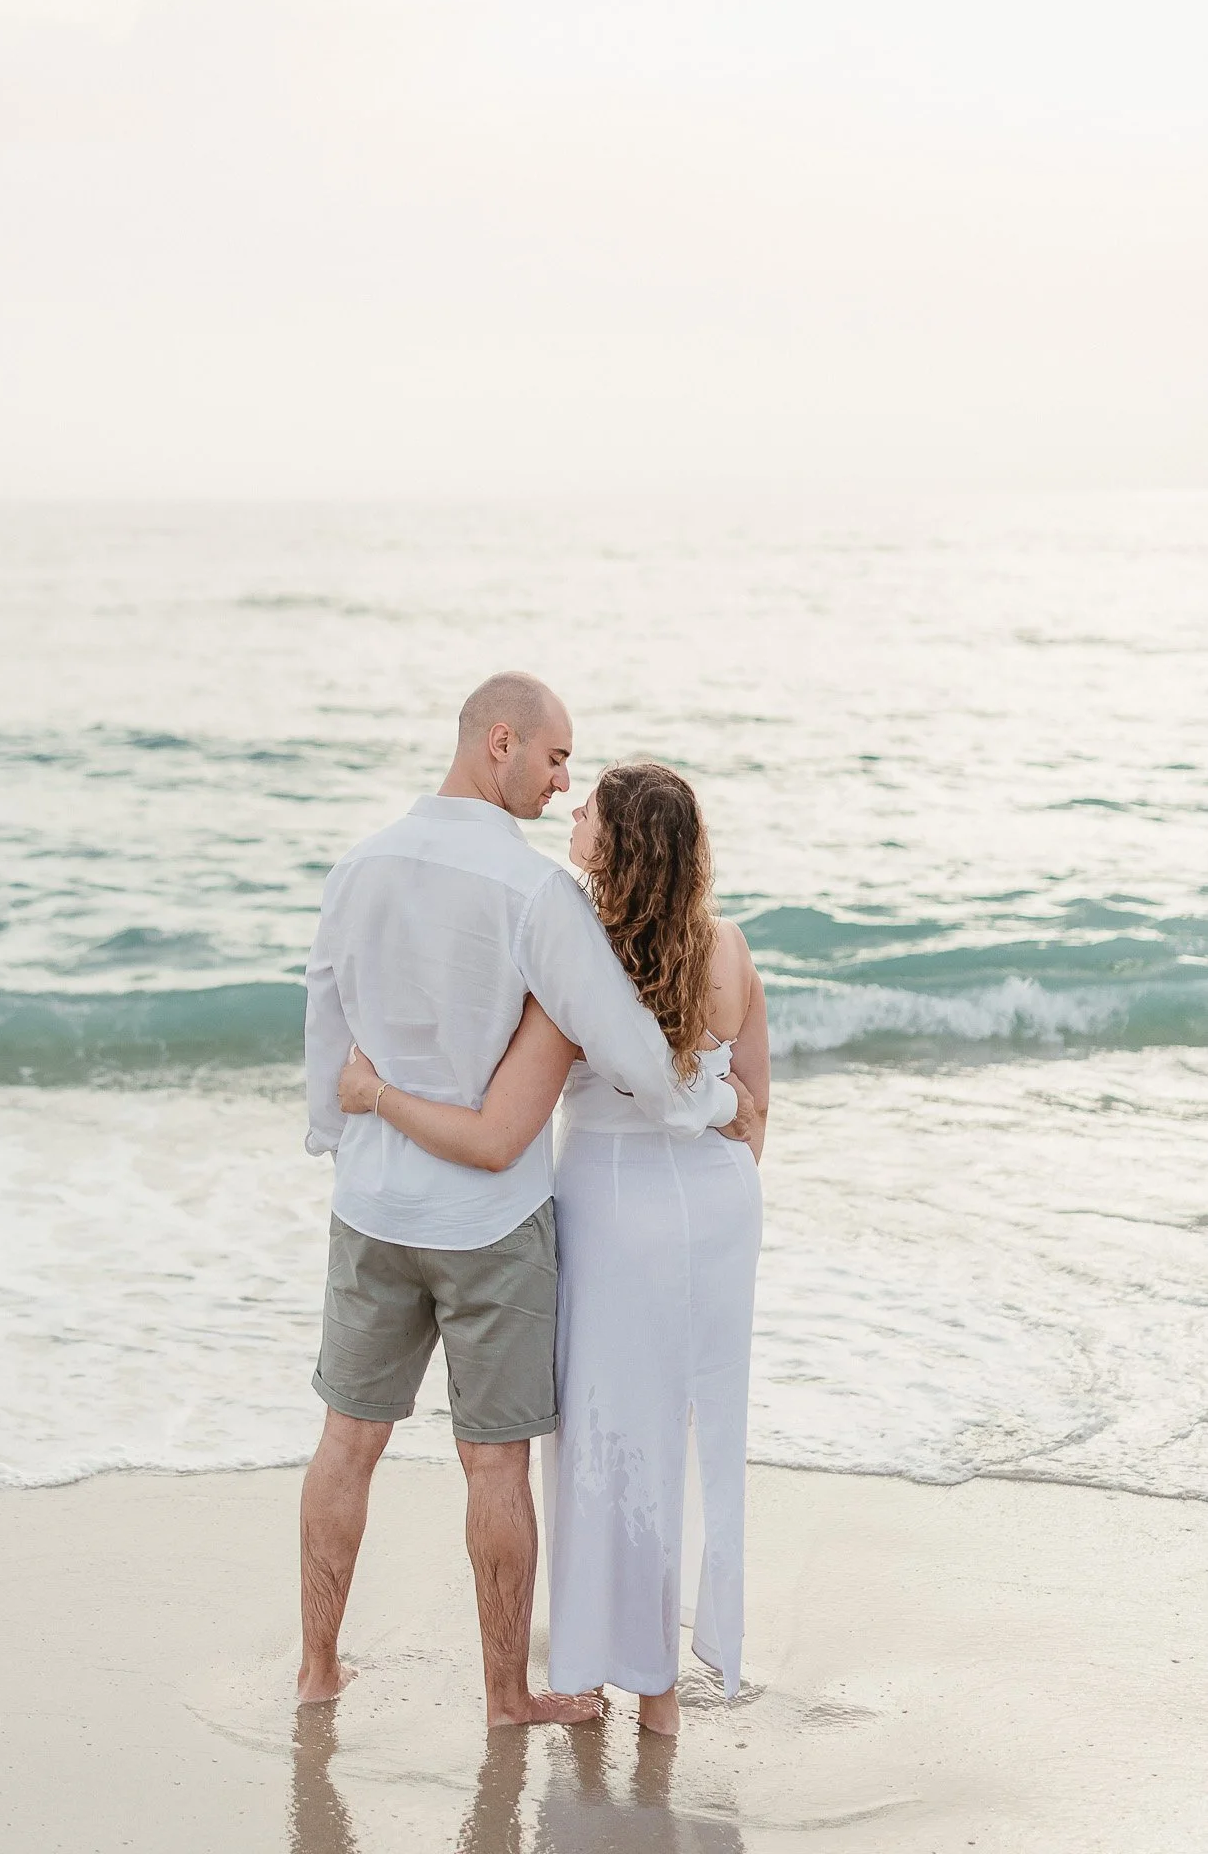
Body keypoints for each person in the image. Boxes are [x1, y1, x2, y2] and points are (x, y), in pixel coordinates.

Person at [300, 675, 760, 1728]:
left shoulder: (356, 865)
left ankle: (318, 1668)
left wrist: (345, 1136)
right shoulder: (535, 894)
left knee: (346, 1442)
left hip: (371, 1205)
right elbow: (635, 1056)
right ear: (497, 742)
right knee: (495, 1460)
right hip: (489, 1221)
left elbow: (324, 1019)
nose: (562, 784)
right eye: (555, 759)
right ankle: (508, 1696)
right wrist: (717, 1098)